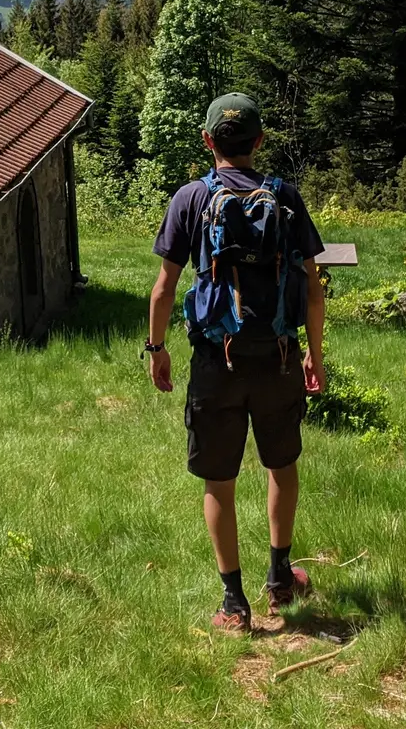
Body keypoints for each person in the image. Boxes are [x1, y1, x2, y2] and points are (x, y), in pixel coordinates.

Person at [145, 93, 327, 631]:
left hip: (213, 363)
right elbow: (313, 290)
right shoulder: (287, 199)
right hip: (277, 357)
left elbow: (163, 290)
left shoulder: (190, 199)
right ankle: (280, 580)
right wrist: (314, 356)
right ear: (259, 142)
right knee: (282, 466)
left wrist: (157, 350)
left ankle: (233, 603)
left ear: (208, 142)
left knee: (218, 482)